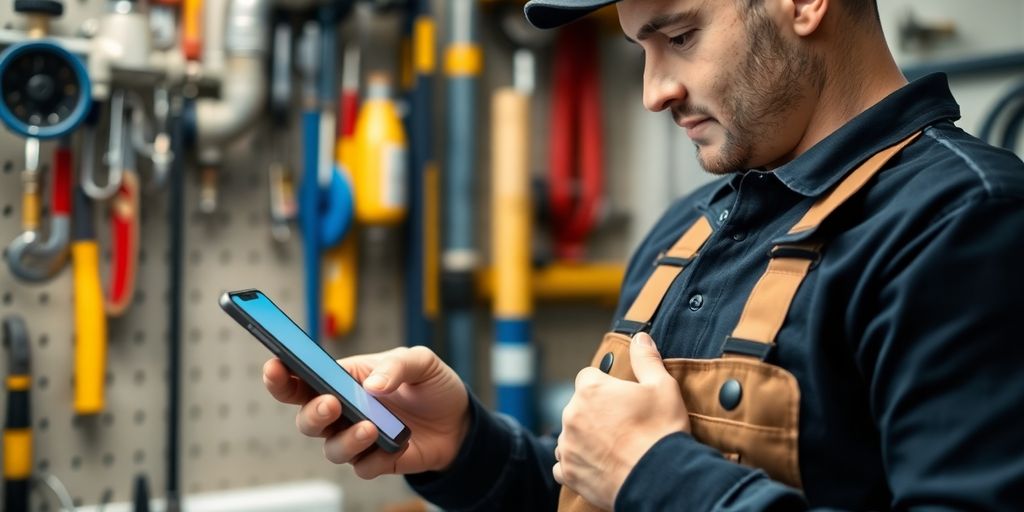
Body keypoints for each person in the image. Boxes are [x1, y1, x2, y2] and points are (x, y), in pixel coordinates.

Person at [262, 0, 1024, 509]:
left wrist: (656, 473)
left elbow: (647, 478)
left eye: (681, 36)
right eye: (641, 51)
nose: (655, 91)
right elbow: (603, 487)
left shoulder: (963, 224)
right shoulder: (690, 230)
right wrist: (465, 446)